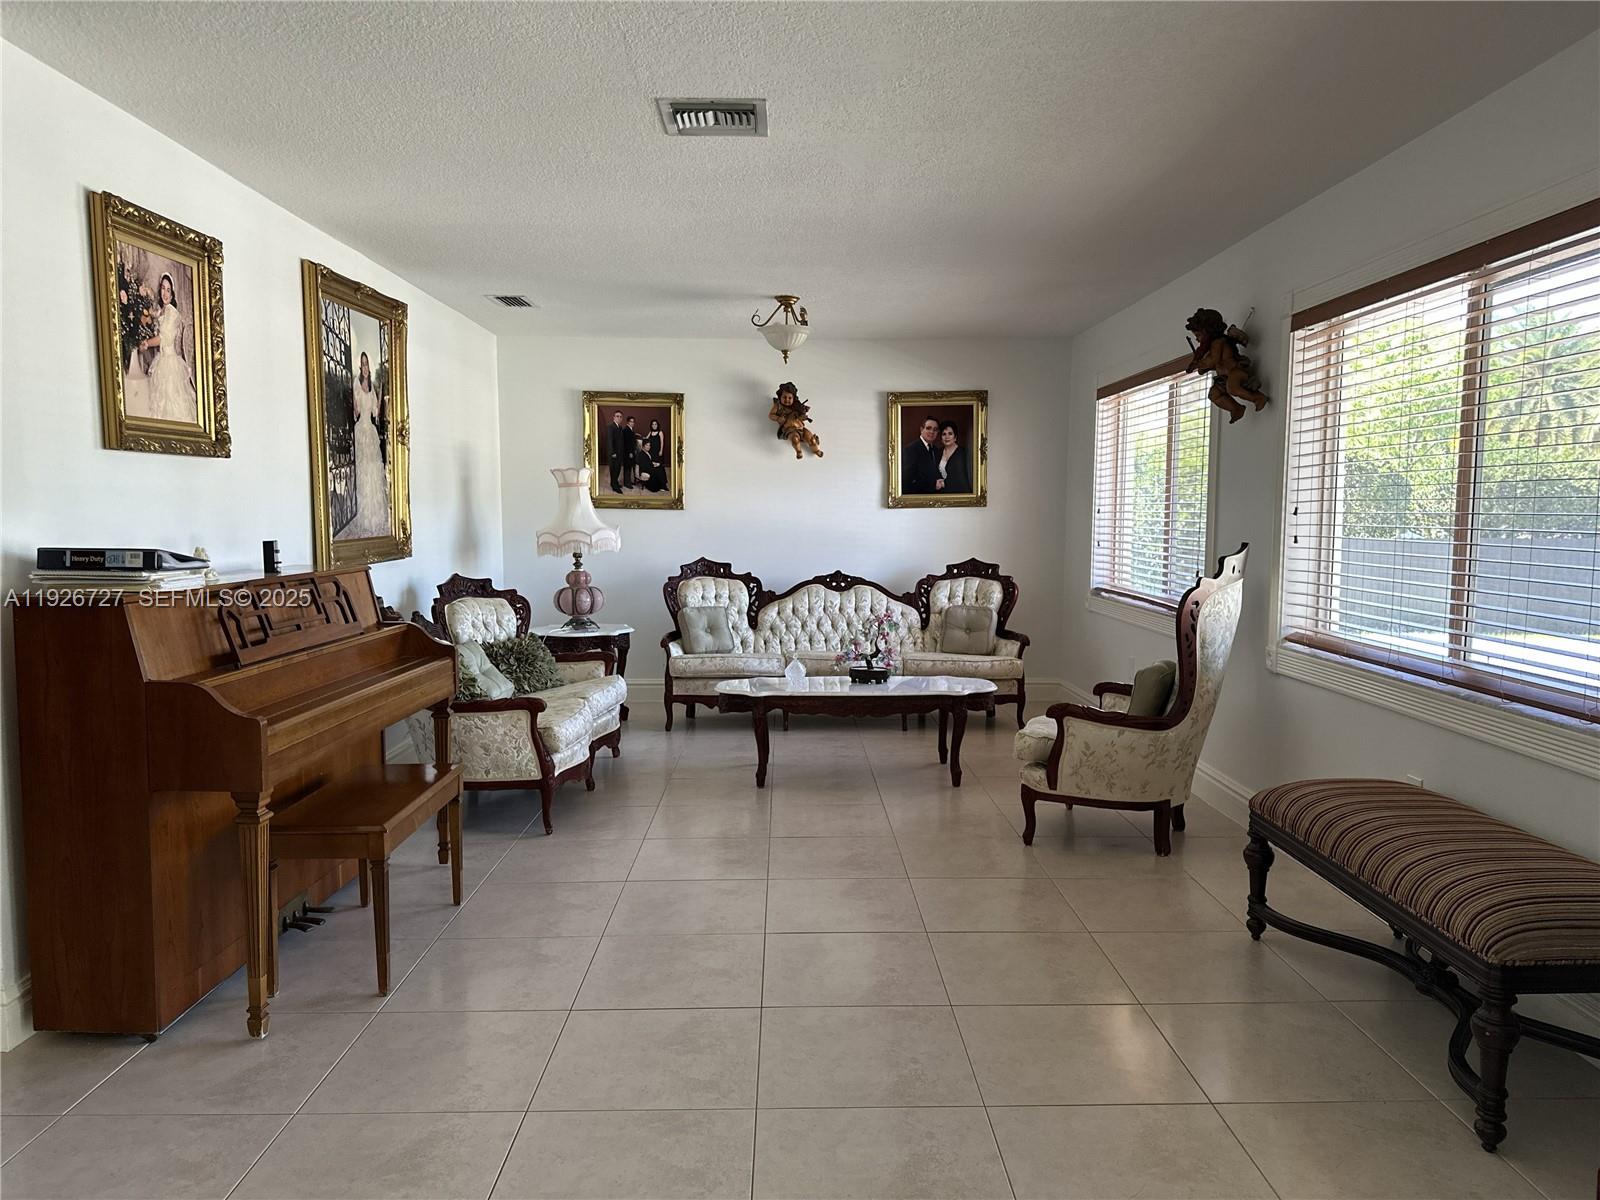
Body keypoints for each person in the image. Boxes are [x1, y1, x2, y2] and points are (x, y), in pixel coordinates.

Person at [143, 273, 196, 422]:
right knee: (160, 404)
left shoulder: (172, 313)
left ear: (172, 294)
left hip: (170, 363)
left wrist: (147, 343)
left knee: (173, 405)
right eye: (163, 289)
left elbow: (164, 339)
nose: (165, 293)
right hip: (162, 359)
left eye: (168, 290)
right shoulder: (163, 311)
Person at [348, 351, 390, 537]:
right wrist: (354, 403)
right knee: (363, 471)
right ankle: (363, 515)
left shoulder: (372, 387)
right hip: (361, 430)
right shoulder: (356, 384)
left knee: (373, 471)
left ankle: (375, 515)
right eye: (363, 364)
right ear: (360, 366)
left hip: (370, 431)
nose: (365, 367)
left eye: (367, 364)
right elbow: (356, 412)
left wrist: (380, 399)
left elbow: (375, 413)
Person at [902, 415, 941, 494]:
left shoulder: (936, 450)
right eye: (928, 428)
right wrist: (933, 485)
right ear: (921, 429)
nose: (932, 432)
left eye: (935, 429)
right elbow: (908, 479)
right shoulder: (911, 449)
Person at [935, 420, 971, 493]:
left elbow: (960, 478)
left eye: (950, 433)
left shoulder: (962, 453)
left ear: (955, 437)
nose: (947, 437)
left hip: (959, 493)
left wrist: (944, 483)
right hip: (943, 493)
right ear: (941, 438)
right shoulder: (938, 452)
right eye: (944, 434)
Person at [639, 418, 668, 492]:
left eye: (655, 424)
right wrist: (639, 437)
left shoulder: (660, 432)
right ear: (651, 425)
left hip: (658, 452)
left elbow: (662, 442)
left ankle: (663, 484)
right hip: (651, 452)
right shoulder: (650, 432)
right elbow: (646, 439)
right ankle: (656, 483)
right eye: (653, 424)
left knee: (659, 468)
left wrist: (661, 450)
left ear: (657, 425)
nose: (654, 425)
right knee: (653, 468)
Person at [606, 411, 627, 493]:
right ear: (613, 417)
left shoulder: (620, 427)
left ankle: (615, 482)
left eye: (620, 416)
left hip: (619, 453)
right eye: (617, 416)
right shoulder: (610, 427)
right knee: (613, 470)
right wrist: (613, 453)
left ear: (622, 418)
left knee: (617, 469)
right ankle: (614, 486)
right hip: (614, 454)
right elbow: (610, 441)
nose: (619, 418)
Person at [622, 416, 639, 489]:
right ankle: (627, 483)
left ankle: (628, 481)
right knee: (627, 468)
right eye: (631, 421)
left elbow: (631, 439)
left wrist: (635, 435)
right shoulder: (626, 430)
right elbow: (627, 443)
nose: (633, 423)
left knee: (630, 467)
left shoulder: (630, 430)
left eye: (633, 421)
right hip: (628, 453)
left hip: (631, 452)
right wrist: (630, 452)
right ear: (628, 422)